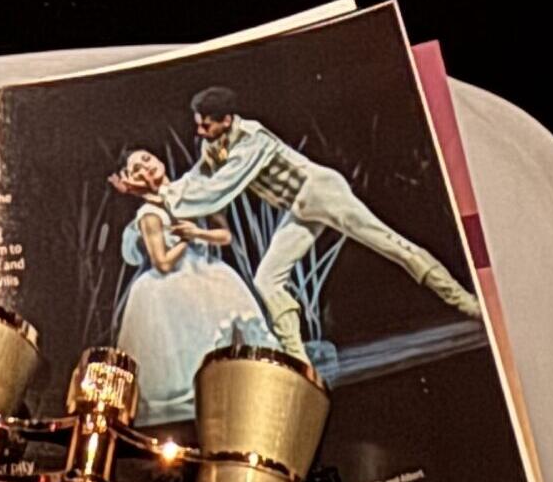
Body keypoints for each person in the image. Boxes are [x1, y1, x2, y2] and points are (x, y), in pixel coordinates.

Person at [144, 85, 480, 363]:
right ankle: (298, 359)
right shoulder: (212, 144)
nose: (200, 131)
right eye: (199, 124)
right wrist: (162, 191)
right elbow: (198, 177)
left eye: (206, 125)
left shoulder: (252, 139)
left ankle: (464, 302)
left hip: (321, 192)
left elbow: (219, 190)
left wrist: (167, 198)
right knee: (267, 279)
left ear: (227, 120)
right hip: (298, 207)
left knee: (391, 245)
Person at [108, 148, 274, 427]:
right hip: (171, 281)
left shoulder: (193, 191)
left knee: (232, 317)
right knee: (186, 344)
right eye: (136, 169)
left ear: (159, 159)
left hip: (206, 271)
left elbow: (224, 236)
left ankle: (243, 386)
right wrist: (186, 241)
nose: (145, 169)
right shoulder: (149, 214)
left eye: (147, 160)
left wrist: (197, 233)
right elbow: (161, 262)